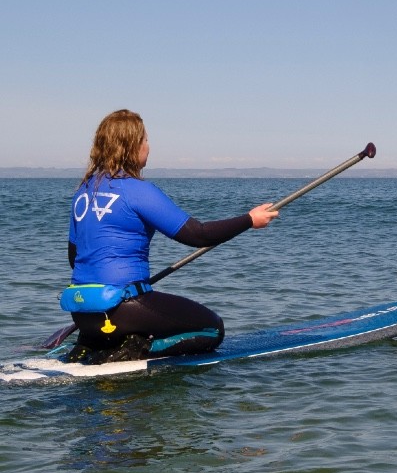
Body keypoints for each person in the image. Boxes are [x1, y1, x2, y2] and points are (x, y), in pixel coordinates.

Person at [65, 109, 278, 364]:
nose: (148, 146)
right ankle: (138, 347)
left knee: (131, 311)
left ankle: (91, 342)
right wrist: (249, 220)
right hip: (121, 309)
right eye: (144, 139)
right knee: (212, 329)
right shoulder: (137, 190)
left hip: (83, 311)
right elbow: (198, 235)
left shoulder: (83, 192)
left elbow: (74, 257)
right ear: (131, 146)